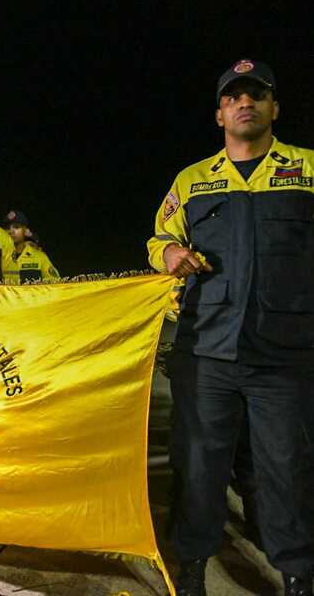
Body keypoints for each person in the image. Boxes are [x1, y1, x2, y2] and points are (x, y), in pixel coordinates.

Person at [147, 59, 314, 596]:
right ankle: (193, 564)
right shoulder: (192, 181)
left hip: (285, 355)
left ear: (274, 108)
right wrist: (170, 250)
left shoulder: (308, 169)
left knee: (285, 469)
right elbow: (157, 240)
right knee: (197, 467)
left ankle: (296, 571)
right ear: (220, 113)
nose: (246, 103)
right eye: (234, 96)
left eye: (257, 95)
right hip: (206, 349)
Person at [3, 210, 59, 283]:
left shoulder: (40, 257)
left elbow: (56, 285)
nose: (11, 231)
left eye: (16, 227)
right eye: (7, 228)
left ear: (25, 230)